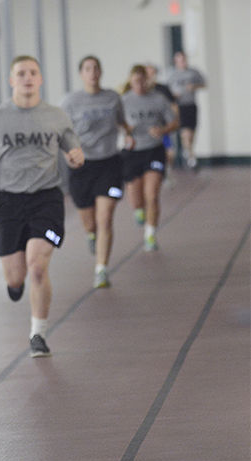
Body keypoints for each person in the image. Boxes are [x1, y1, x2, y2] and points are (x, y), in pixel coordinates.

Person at [0, 55, 84, 357]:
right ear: (11, 80)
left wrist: (76, 157)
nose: (27, 78)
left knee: (37, 266)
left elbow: (73, 147)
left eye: (33, 73)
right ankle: (15, 285)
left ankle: (38, 334)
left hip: (46, 198)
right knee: (16, 276)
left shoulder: (56, 115)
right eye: (21, 73)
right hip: (8, 201)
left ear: (40, 79)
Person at [61, 55, 134, 288]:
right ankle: (90, 234)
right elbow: (60, 133)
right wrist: (67, 154)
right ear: (81, 73)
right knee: (90, 222)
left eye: (96, 68)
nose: (92, 72)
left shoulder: (113, 98)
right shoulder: (70, 101)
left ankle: (101, 270)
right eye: (87, 69)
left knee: (105, 219)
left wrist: (129, 135)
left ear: (100, 72)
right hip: (82, 166)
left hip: (109, 163)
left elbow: (123, 123)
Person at [120, 65, 179, 251]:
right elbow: (115, 123)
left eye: (142, 80)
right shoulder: (123, 101)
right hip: (132, 152)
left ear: (148, 80)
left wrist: (162, 130)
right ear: (130, 81)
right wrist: (126, 131)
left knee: (152, 195)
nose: (139, 84)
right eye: (136, 81)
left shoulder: (158, 99)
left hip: (153, 150)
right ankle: (138, 211)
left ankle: (150, 235)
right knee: (136, 199)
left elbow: (175, 122)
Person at [166, 51, 206, 169]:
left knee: (191, 133)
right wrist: (173, 96)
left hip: (191, 105)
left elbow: (203, 83)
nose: (182, 62)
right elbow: (166, 91)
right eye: (180, 60)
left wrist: (194, 86)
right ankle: (191, 157)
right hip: (179, 106)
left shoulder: (193, 72)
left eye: (184, 59)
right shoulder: (171, 74)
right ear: (175, 61)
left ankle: (188, 150)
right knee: (185, 132)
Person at [145, 62, 179, 183]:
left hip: (163, 126)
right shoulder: (140, 91)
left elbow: (173, 105)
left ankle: (166, 171)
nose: (150, 76)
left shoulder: (163, 89)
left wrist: (175, 119)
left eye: (152, 73)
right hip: (146, 129)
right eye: (147, 73)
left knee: (170, 152)